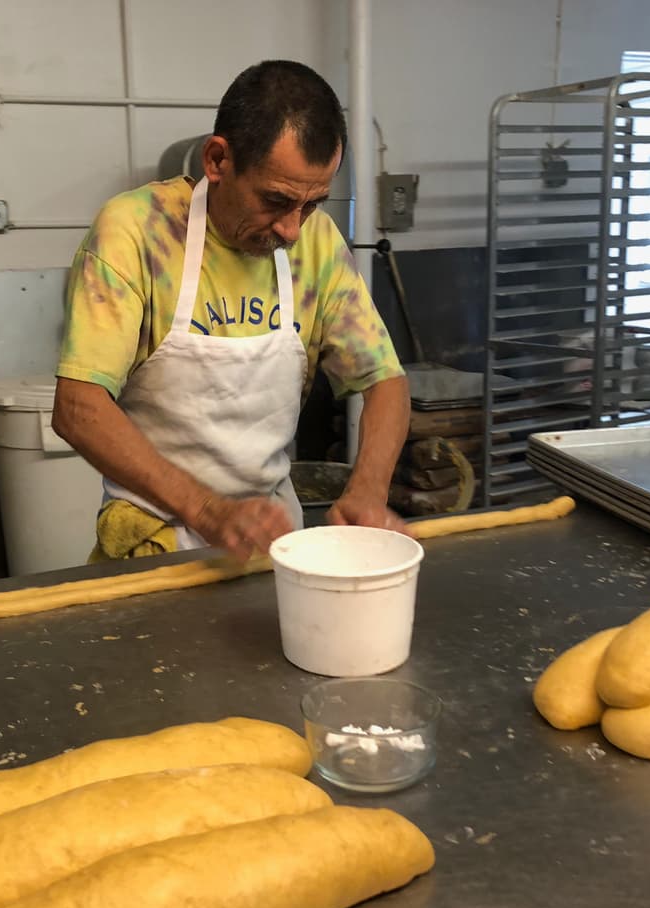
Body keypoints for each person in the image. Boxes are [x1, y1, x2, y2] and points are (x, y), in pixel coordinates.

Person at [52, 60, 409, 563]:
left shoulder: (318, 244)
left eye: (311, 205)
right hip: (155, 540)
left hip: (270, 539)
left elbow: (384, 381)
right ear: (218, 160)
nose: (290, 229)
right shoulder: (137, 231)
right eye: (275, 200)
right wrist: (207, 510)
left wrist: (369, 490)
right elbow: (78, 408)